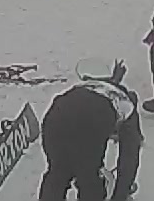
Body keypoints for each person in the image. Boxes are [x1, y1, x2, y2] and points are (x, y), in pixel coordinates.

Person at [38, 60, 140, 201]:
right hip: (91, 119)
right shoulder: (127, 109)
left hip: (56, 114)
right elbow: (128, 159)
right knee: (89, 178)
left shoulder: (96, 86)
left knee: (58, 171)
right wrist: (120, 195)